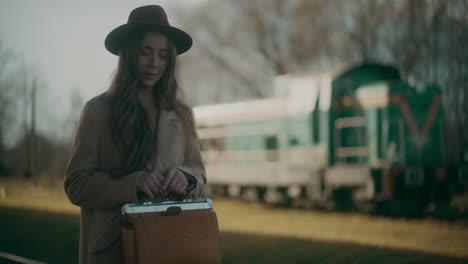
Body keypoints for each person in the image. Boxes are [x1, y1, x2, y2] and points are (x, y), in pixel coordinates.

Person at [64, 5, 206, 264]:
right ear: (129, 54)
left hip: (172, 246)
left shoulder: (182, 114)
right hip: (114, 251)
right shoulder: (97, 111)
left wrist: (185, 178)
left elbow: (199, 175)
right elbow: (76, 185)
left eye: (163, 55)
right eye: (146, 52)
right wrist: (134, 184)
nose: (155, 63)